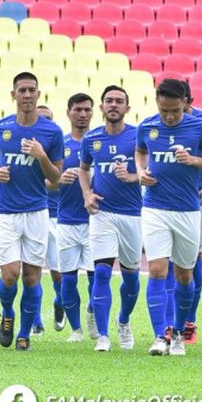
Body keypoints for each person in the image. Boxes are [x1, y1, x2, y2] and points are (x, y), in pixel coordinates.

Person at [136, 79, 202, 356]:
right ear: (157, 103)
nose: (169, 117)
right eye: (164, 111)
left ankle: (180, 333)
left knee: (184, 274)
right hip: (155, 208)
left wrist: (193, 161)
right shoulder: (147, 125)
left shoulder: (200, 127)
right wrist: (141, 171)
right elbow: (140, 151)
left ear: (185, 102)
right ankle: (160, 336)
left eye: (174, 111)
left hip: (187, 209)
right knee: (157, 269)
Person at [0, 72, 64, 351]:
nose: (27, 95)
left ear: (38, 94)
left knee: (32, 276)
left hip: (36, 212)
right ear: (13, 94)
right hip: (5, 211)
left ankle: (24, 333)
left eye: (32, 90)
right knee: (9, 275)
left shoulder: (51, 132)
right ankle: (7, 313)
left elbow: (55, 178)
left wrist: (41, 155)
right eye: (22, 90)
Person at [79, 85, 142, 351]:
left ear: (127, 108)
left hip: (132, 214)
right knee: (102, 272)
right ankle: (103, 336)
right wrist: (87, 194)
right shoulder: (91, 139)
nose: (113, 105)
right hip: (102, 213)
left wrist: (132, 177)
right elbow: (84, 169)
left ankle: (124, 320)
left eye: (119, 101)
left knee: (130, 277)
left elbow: (151, 171)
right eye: (109, 101)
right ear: (102, 107)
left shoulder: (139, 138)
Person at [163, 81, 202, 345]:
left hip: (196, 198)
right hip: (165, 200)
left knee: (191, 261)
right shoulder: (159, 122)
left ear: (188, 100)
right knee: (164, 261)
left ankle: (189, 319)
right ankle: (169, 322)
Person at [53, 93, 95, 344]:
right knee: (68, 277)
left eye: (87, 109)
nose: (83, 114)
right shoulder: (61, 146)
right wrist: (59, 180)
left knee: (96, 276)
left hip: (95, 220)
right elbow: (46, 181)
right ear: (68, 112)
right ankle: (76, 329)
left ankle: (92, 313)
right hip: (66, 220)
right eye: (78, 109)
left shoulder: (98, 142)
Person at [33, 104, 65, 335]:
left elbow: (56, 181)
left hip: (55, 215)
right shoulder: (23, 145)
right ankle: (35, 320)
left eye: (49, 118)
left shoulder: (56, 144)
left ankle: (60, 302)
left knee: (57, 270)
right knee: (30, 269)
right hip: (29, 214)